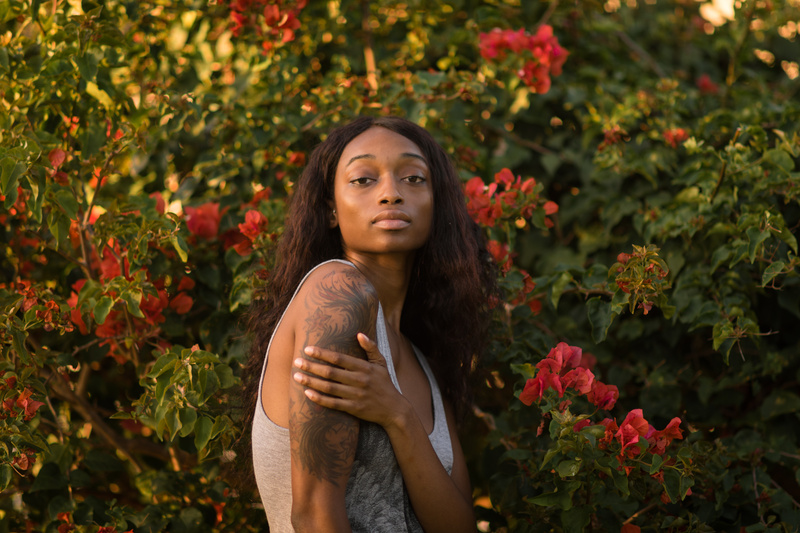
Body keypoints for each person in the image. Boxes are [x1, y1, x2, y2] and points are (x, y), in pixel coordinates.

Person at [241, 116, 497, 532]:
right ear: (330, 209)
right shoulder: (337, 293)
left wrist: (397, 414)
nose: (391, 194)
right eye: (363, 180)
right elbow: (312, 516)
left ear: (437, 202)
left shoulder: (419, 360)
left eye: (414, 178)